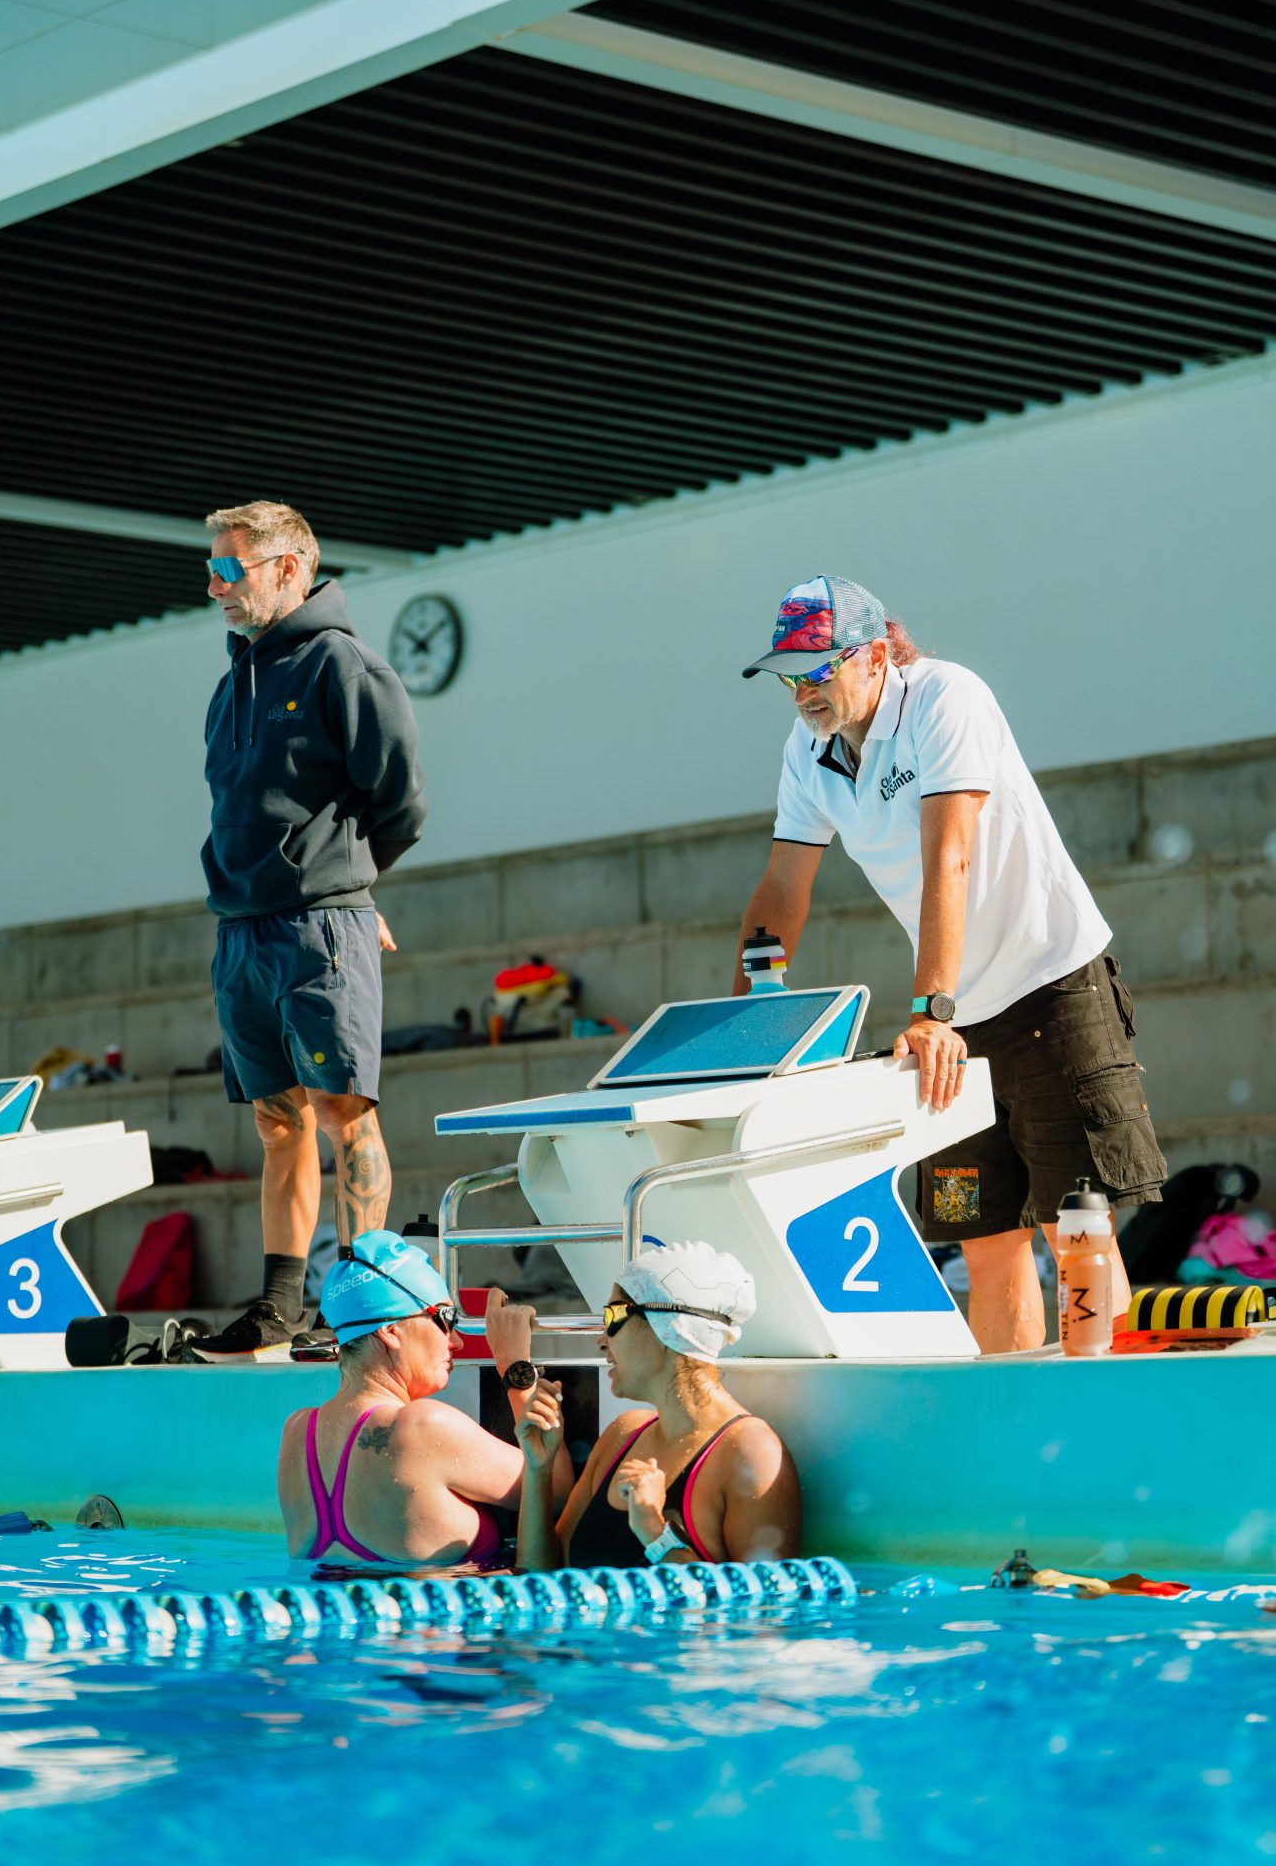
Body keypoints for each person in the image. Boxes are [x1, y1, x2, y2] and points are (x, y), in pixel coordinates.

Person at [736, 574, 1166, 1355]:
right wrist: (739, 1025)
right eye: (788, 675)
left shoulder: (945, 697)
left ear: (871, 656)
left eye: (817, 668)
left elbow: (950, 856)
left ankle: (1113, 1434)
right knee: (987, 1244)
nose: (800, 690)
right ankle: (1018, 1448)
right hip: (957, 1019)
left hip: (1050, 988)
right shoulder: (806, 750)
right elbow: (780, 886)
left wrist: (933, 1012)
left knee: (1076, 1232)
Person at [193, 501, 427, 1360]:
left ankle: (355, 1306)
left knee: (342, 1113)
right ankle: (282, 1307)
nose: (212, 582)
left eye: (229, 567)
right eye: (211, 566)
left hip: (318, 927)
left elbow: (400, 803)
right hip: (241, 933)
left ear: (288, 569)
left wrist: (350, 892)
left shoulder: (343, 666)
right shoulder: (232, 684)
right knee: (275, 1121)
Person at [277, 1231, 571, 1566]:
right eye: (445, 1318)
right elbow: (557, 1490)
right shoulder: (423, 1426)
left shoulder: (298, 1432)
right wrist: (514, 1366)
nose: (457, 1341)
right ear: (391, 1331)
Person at [514, 1242, 801, 1571]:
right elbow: (541, 1577)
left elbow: (763, 1613)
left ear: (669, 1325)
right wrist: (538, 1470)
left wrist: (655, 1531)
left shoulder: (749, 1452)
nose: (602, 1338)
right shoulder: (623, 1435)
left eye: (615, 1315)